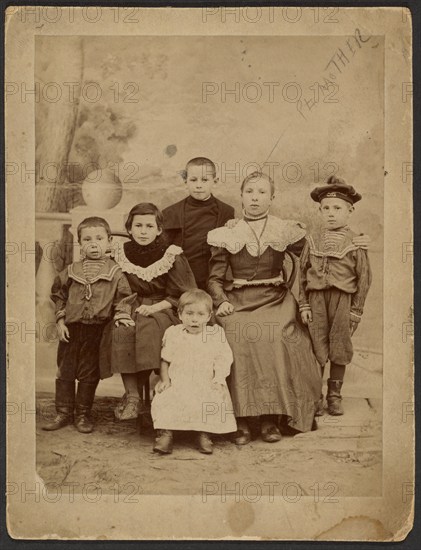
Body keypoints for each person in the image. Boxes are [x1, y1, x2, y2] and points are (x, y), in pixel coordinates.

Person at [99, 203, 197, 421]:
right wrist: (121, 310)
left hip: (163, 307)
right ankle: (133, 396)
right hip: (127, 305)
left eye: (149, 226)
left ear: (159, 230)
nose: (143, 231)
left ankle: (158, 391)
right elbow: (112, 285)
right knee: (122, 330)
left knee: (151, 330)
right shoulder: (120, 253)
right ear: (129, 228)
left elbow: (185, 294)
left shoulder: (170, 255)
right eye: (138, 225)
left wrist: (155, 307)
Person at [44, 217, 132, 433]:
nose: (94, 244)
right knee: (65, 371)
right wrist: (60, 320)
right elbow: (58, 295)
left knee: (88, 373)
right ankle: (63, 413)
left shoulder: (116, 273)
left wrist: (121, 316)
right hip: (71, 330)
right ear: (81, 243)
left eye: (100, 238)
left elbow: (124, 299)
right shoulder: (71, 270)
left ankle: (83, 414)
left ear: (109, 241)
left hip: (97, 331)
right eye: (88, 239)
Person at [299, 176, 372, 416]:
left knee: (340, 344)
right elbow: (302, 274)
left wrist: (356, 310)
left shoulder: (356, 242)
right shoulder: (312, 240)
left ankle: (334, 395)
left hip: (343, 300)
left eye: (337, 208)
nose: (331, 213)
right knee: (316, 343)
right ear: (320, 211)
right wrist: (304, 304)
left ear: (349, 211)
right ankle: (315, 395)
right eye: (326, 208)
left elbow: (364, 278)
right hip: (317, 300)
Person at [151, 289, 237, 455]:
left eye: (200, 314)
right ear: (180, 314)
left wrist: (218, 379)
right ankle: (166, 433)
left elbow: (223, 359)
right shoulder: (174, 333)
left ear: (209, 316)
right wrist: (165, 380)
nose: (194, 319)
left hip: (205, 380)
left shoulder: (214, 334)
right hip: (178, 380)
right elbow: (165, 360)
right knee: (166, 398)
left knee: (210, 399)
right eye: (189, 313)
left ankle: (204, 433)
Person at [163, 157, 235, 290]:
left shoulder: (226, 212)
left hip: (212, 281)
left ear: (215, 181)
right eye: (193, 180)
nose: (199, 185)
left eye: (205, 180)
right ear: (185, 181)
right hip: (179, 281)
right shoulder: (170, 213)